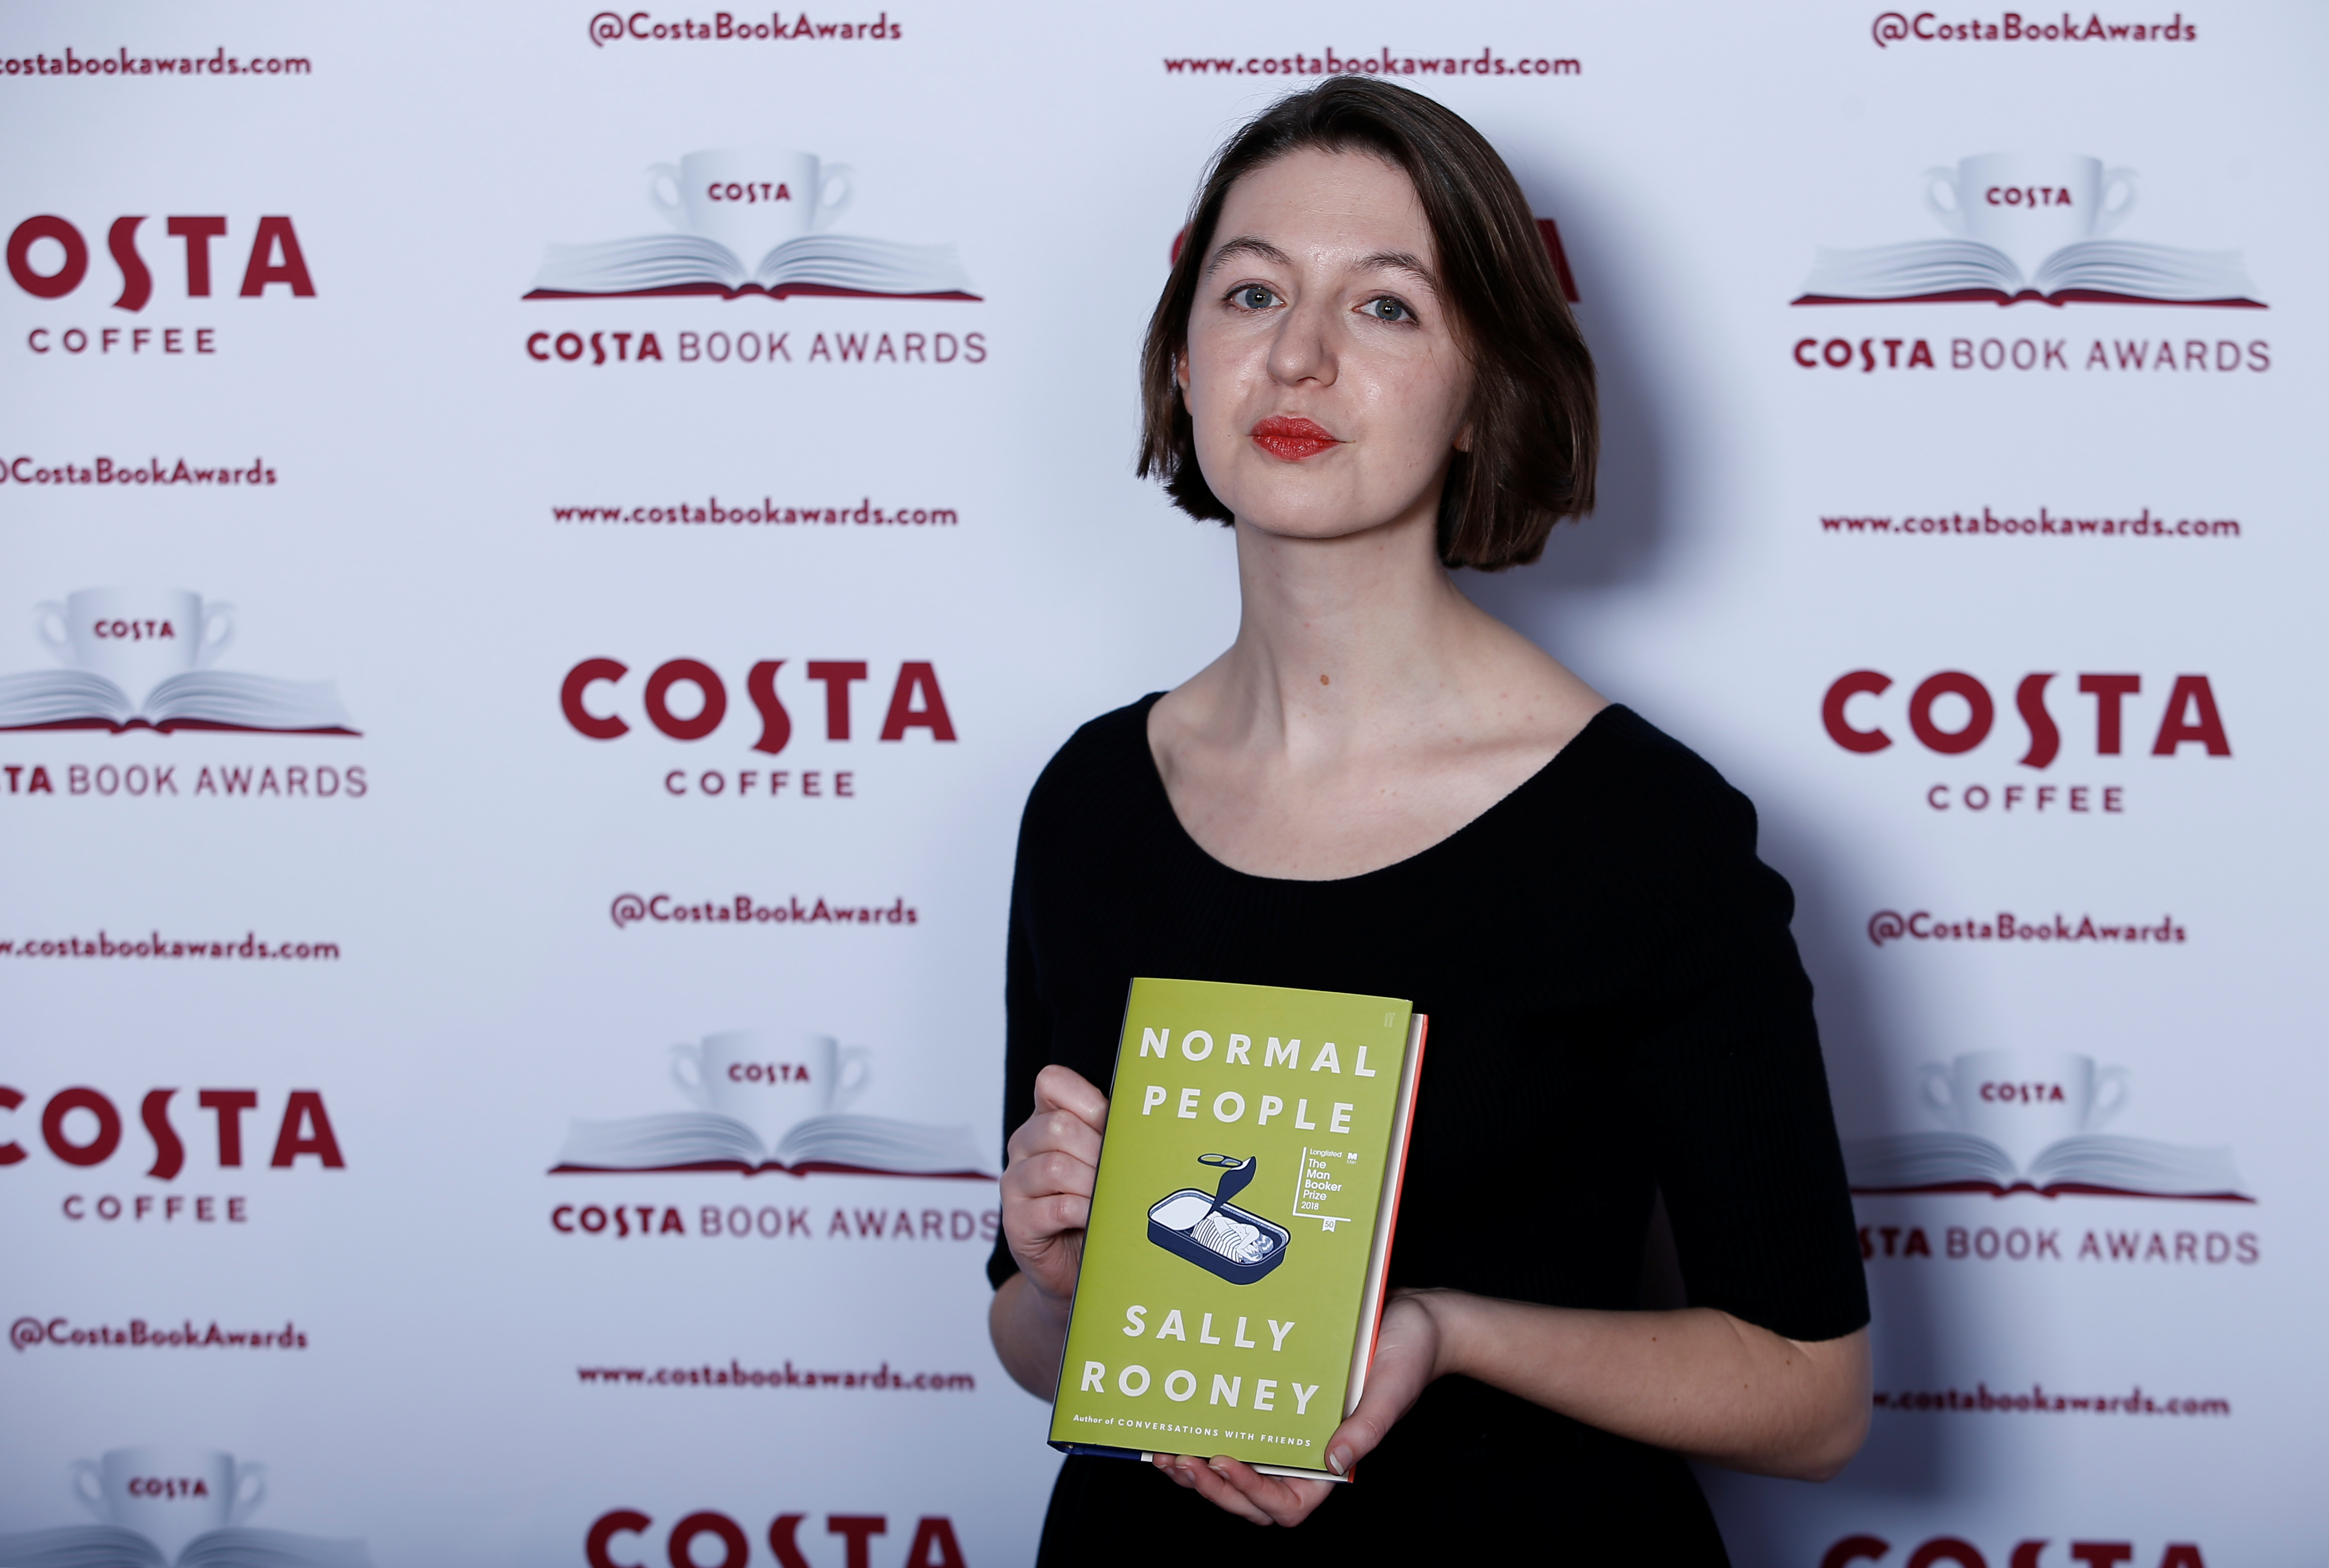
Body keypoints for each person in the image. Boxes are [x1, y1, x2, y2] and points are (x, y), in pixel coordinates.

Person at [986, 77, 1870, 1563]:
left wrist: (1440, 1334)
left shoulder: (1642, 828)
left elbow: (1810, 1398)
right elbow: (1029, 1350)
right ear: (1185, 363)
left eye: (1386, 308)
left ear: (1483, 394)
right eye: (1251, 290)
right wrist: (1059, 1270)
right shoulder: (1088, 800)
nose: (1300, 355)